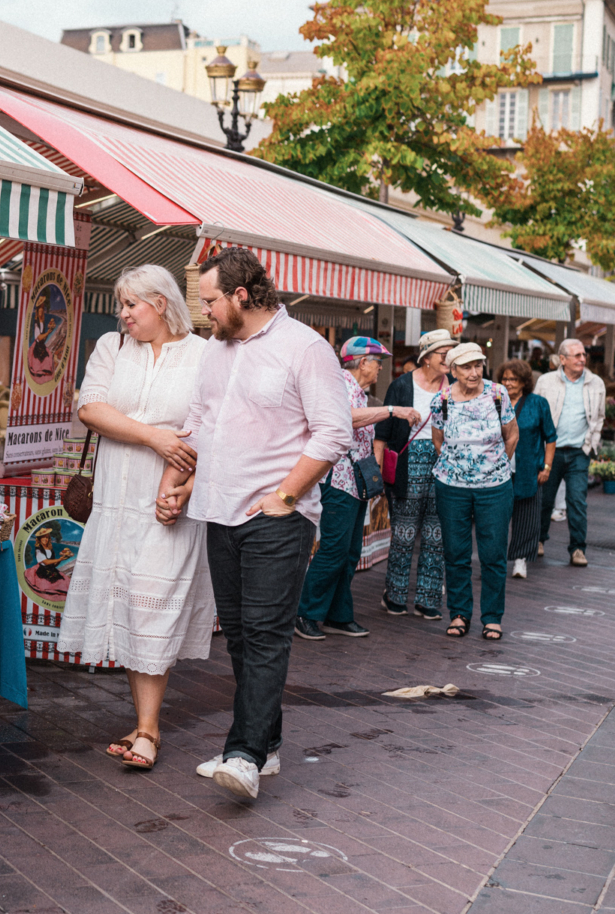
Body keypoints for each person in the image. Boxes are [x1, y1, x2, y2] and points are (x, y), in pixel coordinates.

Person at [155, 246, 352, 803]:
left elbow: (333, 433)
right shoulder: (216, 352)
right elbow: (202, 423)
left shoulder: (305, 349)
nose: (205, 313)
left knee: (265, 637)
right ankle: (265, 746)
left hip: (276, 519)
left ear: (242, 295)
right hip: (218, 512)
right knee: (241, 637)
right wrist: (177, 484)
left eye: (212, 301)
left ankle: (242, 755)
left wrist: (286, 496)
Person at [57, 264, 211, 771]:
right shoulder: (112, 348)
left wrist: (185, 489)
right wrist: (155, 435)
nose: (121, 315)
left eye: (131, 305)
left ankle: (148, 728)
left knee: (154, 607)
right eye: (120, 305)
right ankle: (146, 723)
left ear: (161, 304)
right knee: (129, 608)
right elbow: (90, 408)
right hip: (116, 502)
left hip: (168, 503)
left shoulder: (205, 356)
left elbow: (212, 431)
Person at [294, 337, 419, 641]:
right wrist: (393, 410)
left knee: (349, 552)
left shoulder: (358, 390)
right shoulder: (340, 384)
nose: (380, 369)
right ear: (363, 362)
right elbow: (345, 418)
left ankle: (338, 614)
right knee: (334, 550)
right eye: (378, 362)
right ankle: (306, 614)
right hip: (338, 480)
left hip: (354, 480)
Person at [430, 342, 517, 641]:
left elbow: (512, 435)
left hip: (494, 487)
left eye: (478, 364)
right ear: (452, 370)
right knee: (455, 553)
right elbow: (438, 441)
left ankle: (492, 617)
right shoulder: (440, 399)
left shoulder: (497, 394)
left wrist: (492, 466)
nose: (474, 371)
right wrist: (460, 469)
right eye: (466, 366)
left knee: (493, 554)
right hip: (451, 487)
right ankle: (459, 613)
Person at [374, 328, 457, 620]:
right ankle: (394, 596)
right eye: (442, 352)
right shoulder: (401, 386)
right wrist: (378, 472)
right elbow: (382, 432)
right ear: (426, 358)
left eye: (449, 351)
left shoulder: (454, 386)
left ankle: (428, 598)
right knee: (404, 533)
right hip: (408, 465)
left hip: (445, 465)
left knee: (437, 534)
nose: (447, 356)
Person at [535, 338, 605, 567]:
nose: (582, 359)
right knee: (544, 500)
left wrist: (590, 444)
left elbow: (599, 416)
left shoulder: (596, 383)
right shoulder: (546, 382)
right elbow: (536, 414)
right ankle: (539, 540)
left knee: (577, 501)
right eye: (577, 355)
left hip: (578, 452)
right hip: (550, 452)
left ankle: (577, 548)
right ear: (562, 359)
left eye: (583, 355)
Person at [497, 359, 556, 581]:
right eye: (504, 378)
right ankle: (495, 561)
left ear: (524, 382)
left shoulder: (538, 403)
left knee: (527, 517)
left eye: (513, 379)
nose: (508, 383)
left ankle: (520, 560)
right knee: (496, 518)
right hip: (497, 470)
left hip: (529, 469)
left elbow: (550, 437)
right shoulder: (494, 402)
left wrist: (547, 467)